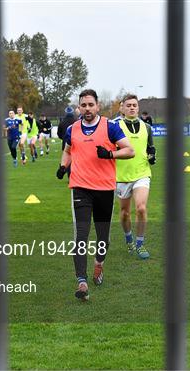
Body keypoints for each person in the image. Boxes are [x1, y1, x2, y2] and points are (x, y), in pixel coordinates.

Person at [56, 89, 135, 301]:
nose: (87, 109)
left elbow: (130, 150)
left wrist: (110, 153)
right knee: (80, 236)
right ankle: (81, 282)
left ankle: (98, 264)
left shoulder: (110, 127)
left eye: (91, 105)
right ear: (79, 107)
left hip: (105, 190)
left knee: (103, 238)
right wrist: (63, 166)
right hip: (80, 188)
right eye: (84, 105)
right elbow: (67, 149)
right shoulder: (72, 129)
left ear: (97, 106)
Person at [115, 94, 156, 259]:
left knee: (141, 208)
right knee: (125, 213)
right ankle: (129, 239)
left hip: (142, 173)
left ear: (138, 108)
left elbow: (150, 148)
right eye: (128, 105)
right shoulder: (114, 126)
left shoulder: (147, 127)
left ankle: (140, 244)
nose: (132, 107)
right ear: (122, 108)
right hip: (121, 175)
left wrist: (152, 155)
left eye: (134, 105)